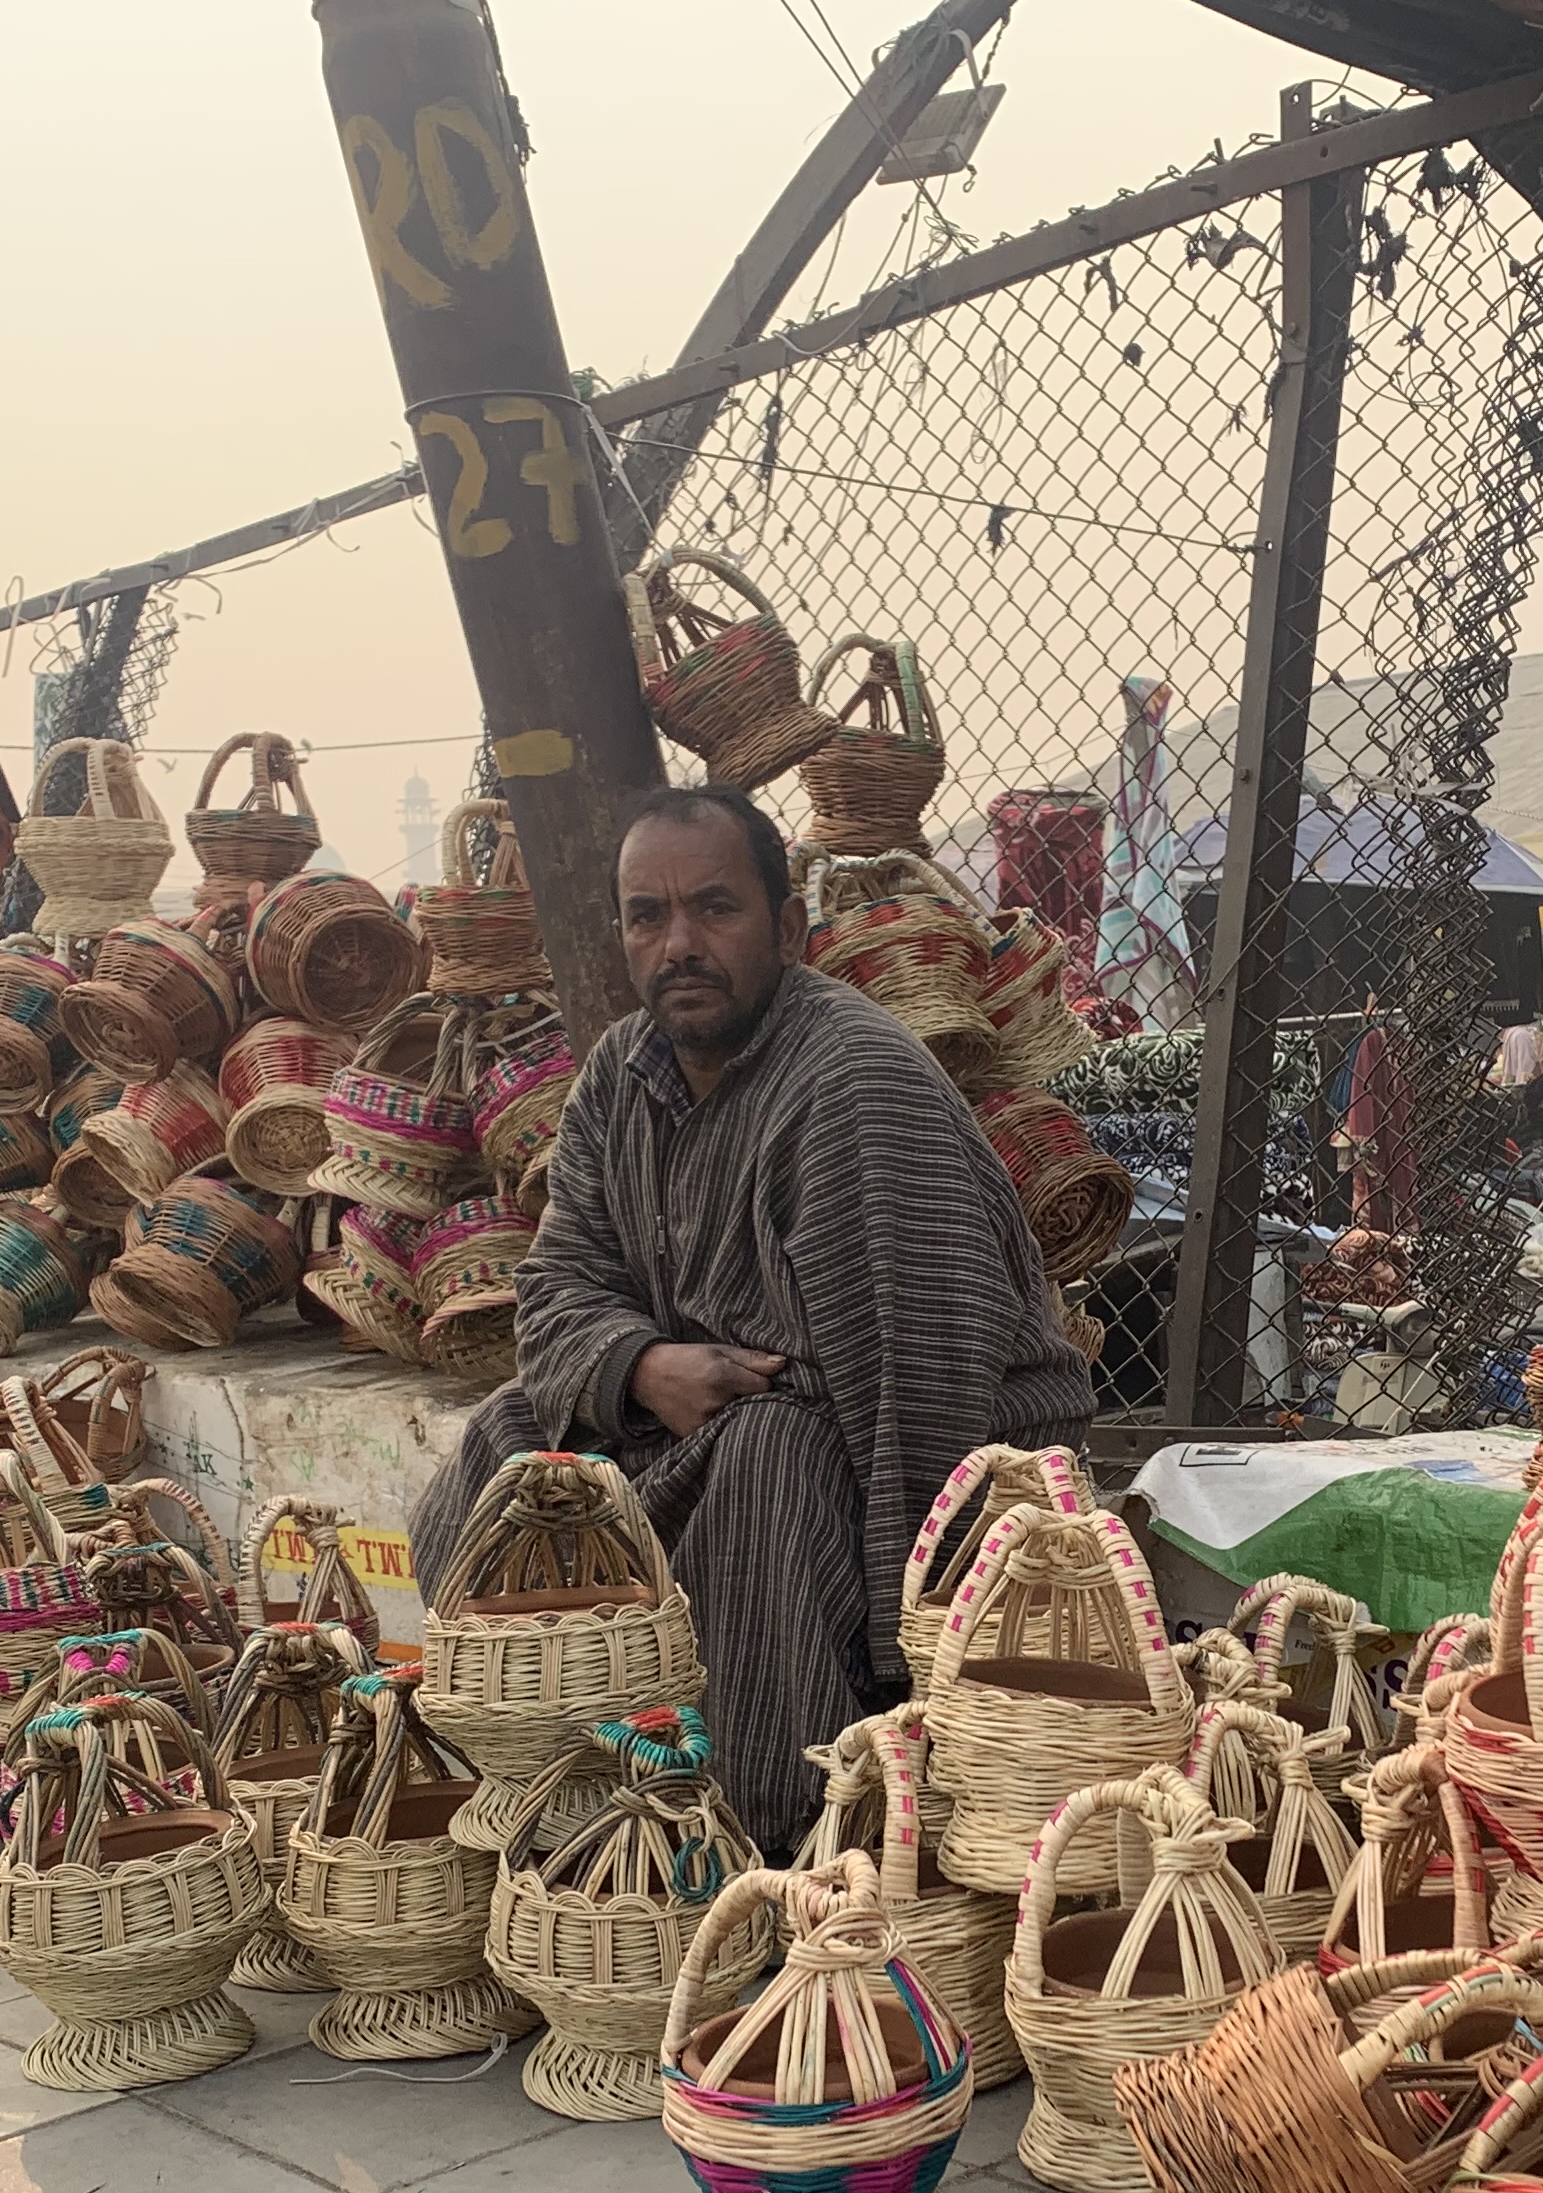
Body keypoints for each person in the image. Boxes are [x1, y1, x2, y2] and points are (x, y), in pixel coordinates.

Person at [406, 785, 1094, 1840]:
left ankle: (779, 1836)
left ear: (785, 928)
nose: (679, 943)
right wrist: (642, 1368)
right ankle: (564, 1797)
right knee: (510, 1446)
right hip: (687, 1422)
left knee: (771, 1459)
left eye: (714, 909)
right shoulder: (617, 1079)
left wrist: (898, 1661)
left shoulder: (853, 1083)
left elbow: (916, 1394)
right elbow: (552, 1293)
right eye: (649, 916)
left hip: (922, 1457)